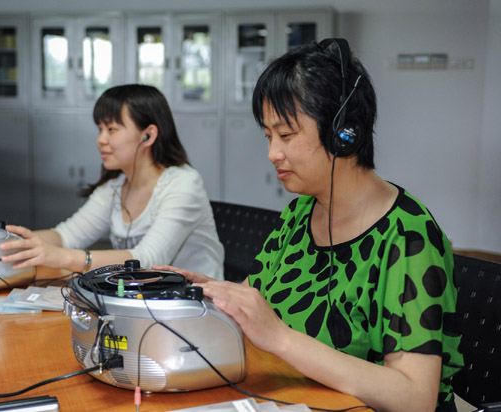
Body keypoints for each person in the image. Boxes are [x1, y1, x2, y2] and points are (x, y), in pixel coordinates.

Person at [156, 39, 463, 412]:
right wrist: (215, 298)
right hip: (293, 398)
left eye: (286, 135)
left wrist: (281, 339)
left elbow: (415, 398)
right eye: (268, 137)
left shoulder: (409, 236)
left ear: (343, 134)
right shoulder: (300, 213)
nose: (272, 153)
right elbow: (256, 300)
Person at [0, 84, 224, 280]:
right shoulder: (116, 186)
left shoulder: (184, 184)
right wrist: (4, 240)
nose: (101, 140)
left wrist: (65, 257)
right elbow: (66, 235)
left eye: (112, 129)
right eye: (100, 129)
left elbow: (148, 259)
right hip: (143, 302)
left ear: (148, 135)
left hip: (197, 307)